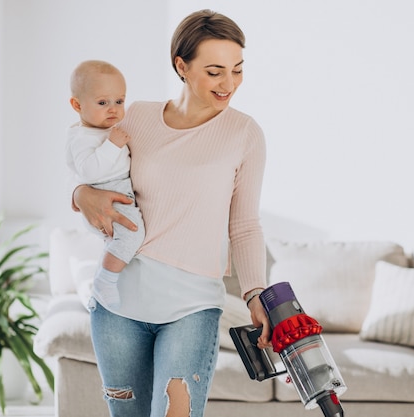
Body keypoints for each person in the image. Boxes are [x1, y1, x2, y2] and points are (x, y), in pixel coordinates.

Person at [72, 9, 270, 417]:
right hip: (118, 307)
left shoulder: (244, 133)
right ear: (181, 65)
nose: (229, 84)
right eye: (215, 71)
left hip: (191, 307)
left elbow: (245, 223)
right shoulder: (135, 117)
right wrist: (78, 194)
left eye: (237, 70)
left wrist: (254, 292)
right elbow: (90, 165)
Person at [66, 60, 145, 310]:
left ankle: (103, 283)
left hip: (116, 189)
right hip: (109, 192)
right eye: (103, 103)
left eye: (119, 101)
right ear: (77, 105)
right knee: (133, 234)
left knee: (120, 242)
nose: (113, 109)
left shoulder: (105, 129)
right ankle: (104, 281)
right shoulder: (81, 137)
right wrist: (113, 145)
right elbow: (88, 171)